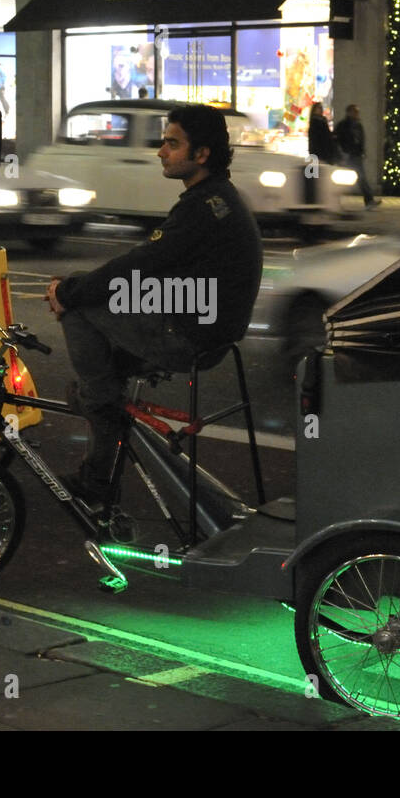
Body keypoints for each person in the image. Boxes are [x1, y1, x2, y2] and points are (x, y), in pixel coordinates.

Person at [45, 104, 263, 511]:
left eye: (172, 143)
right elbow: (148, 268)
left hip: (188, 334)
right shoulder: (219, 197)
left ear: (201, 155)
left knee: (79, 308)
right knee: (87, 294)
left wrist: (70, 292)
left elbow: (140, 262)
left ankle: (98, 403)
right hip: (208, 326)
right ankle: (98, 462)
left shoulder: (201, 209)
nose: (161, 151)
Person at [333, 103, 376, 207]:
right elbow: (336, 139)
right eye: (355, 111)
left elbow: (361, 140)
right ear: (349, 113)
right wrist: (341, 152)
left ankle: (369, 200)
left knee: (361, 177)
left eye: (357, 112)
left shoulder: (358, 125)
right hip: (347, 155)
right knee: (341, 179)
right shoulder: (343, 125)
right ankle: (335, 201)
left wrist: (362, 152)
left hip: (356, 155)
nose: (357, 114)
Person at [304, 102, 338, 205]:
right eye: (318, 108)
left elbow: (326, 135)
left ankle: (323, 197)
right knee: (316, 175)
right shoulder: (315, 122)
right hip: (318, 152)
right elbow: (315, 139)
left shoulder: (322, 120)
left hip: (326, 151)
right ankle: (316, 198)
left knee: (323, 175)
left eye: (320, 108)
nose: (320, 110)